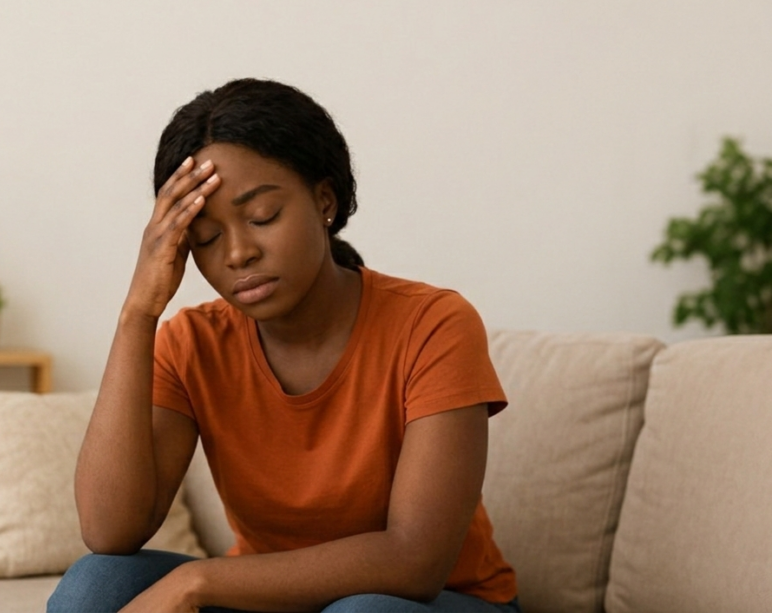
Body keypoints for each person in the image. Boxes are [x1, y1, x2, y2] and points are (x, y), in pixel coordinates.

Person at [48, 79, 519, 613]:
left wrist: (197, 582)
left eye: (262, 217)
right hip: (274, 601)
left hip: (433, 603)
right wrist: (139, 312)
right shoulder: (191, 343)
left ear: (325, 199)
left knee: (364, 612)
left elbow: (415, 560)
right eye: (205, 238)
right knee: (97, 584)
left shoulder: (433, 325)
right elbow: (111, 531)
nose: (238, 253)